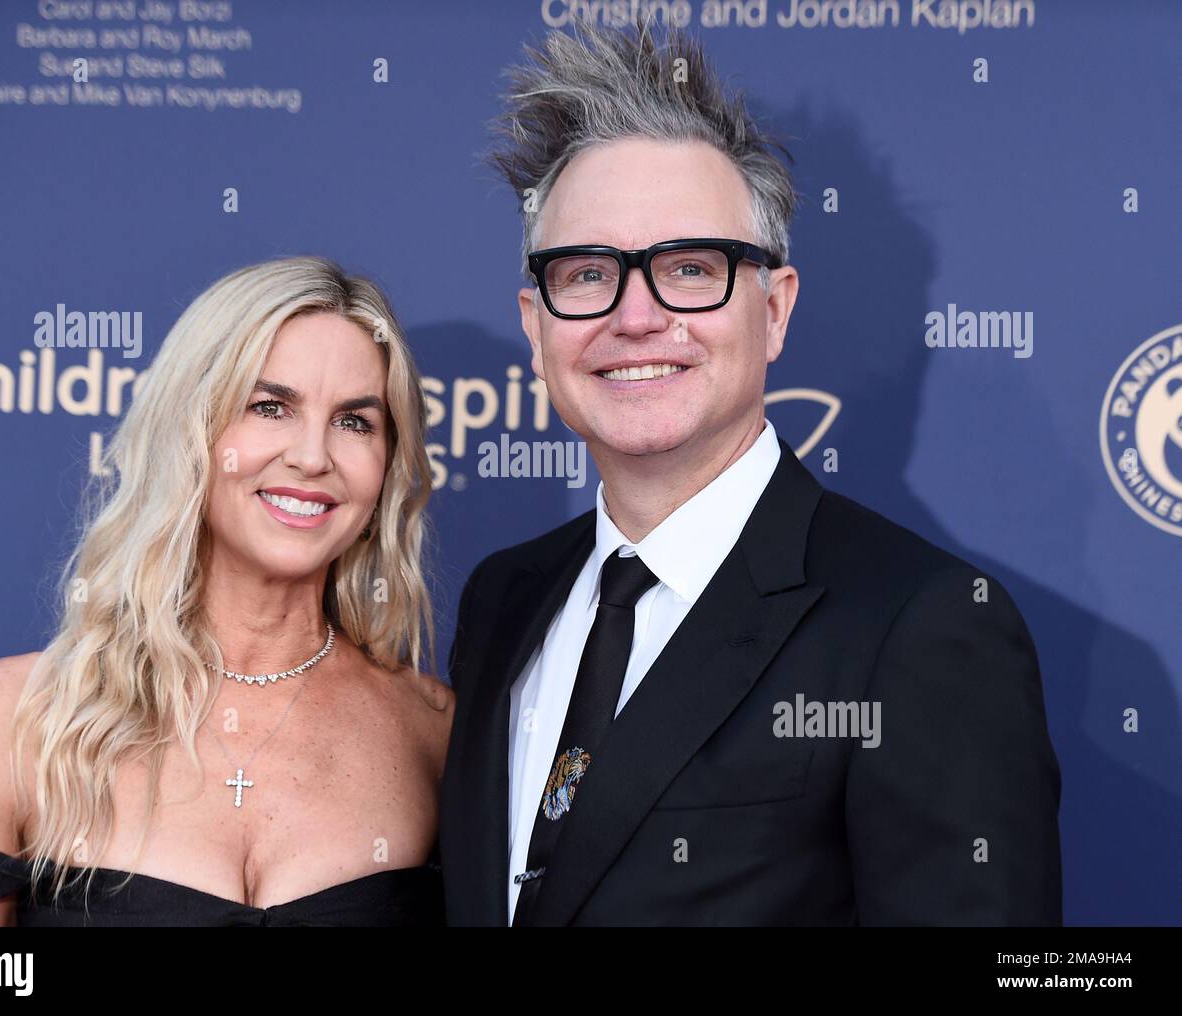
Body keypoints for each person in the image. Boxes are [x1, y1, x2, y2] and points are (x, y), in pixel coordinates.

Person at [439, 21, 1062, 926]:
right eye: (587, 273)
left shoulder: (921, 629)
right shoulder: (504, 599)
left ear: (773, 310)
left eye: (690, 269)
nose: (638, 316)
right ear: (537, 327)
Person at [0, 256, 452, 926]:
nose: (313, 456)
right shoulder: (16, 718)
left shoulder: (433, 731)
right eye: (270, 406)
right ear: (191, 434)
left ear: (387, 467)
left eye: (355, 421)